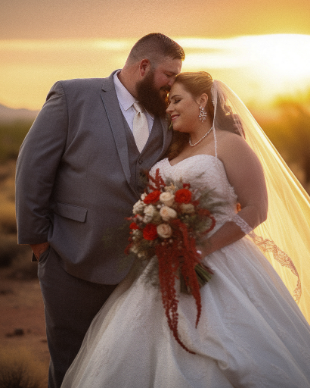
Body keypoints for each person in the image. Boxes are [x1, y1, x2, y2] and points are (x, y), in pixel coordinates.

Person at [60, 71, 310, 388]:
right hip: (163, 262)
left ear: (203, 100)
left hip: (221, 260)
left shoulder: (230, 145)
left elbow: (256, 208)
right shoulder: (172, 151)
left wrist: (201, 248)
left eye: (177, 100)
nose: (170, 109)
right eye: (169, 102)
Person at [15, 33, 184, 388]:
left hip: (137, 270)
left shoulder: (166, 114)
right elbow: (33, 169)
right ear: (143, 66)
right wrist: (38, 242)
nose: (173, 83)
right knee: (72, 363)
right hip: (70, 256)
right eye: (169, 74)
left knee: (121, 366)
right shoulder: (72, 96)